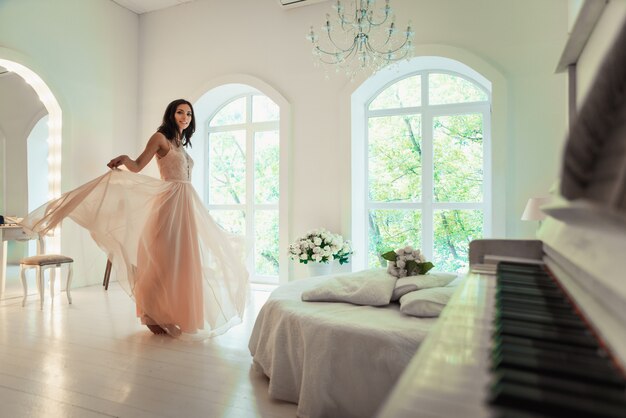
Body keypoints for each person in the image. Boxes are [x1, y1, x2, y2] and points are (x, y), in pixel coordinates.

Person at [21, 99, 249, 340]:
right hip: (169, 205)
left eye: (189, 114)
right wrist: (125, 159)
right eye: (180, 112)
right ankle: (151, 315)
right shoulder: (160, 138)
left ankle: (175, 314)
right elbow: (139, 165)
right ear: (171, 115)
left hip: (186, 206)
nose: (185, 117)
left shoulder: (180, 143)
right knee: (161, 262)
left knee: (182, 263)